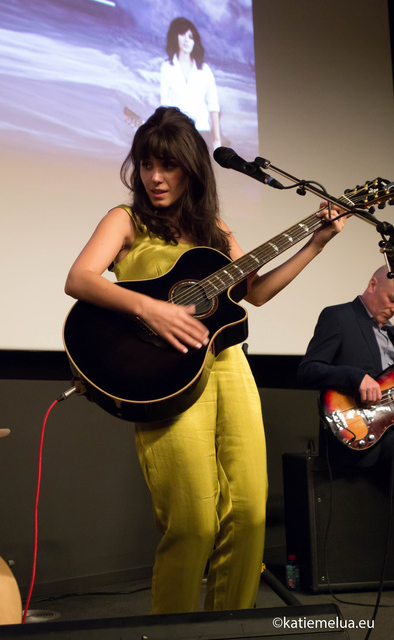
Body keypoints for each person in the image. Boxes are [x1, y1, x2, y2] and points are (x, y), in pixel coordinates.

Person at [65, 106, 346, 614]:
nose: (155, 177)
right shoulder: (124, 220)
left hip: (229, 368)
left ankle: (229, 625)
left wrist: (315, 245)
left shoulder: (214, 228)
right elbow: (80, 279)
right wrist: (150, 306)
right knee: (192, 524)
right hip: (165, 377)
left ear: (191, 168)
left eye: (167, 166)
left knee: (250, 513)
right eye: (147, 165)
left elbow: (255, 293)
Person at [298, 265, 394, 467]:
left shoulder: (391, 333)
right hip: (362, 434)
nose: (393, 309)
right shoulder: (340, 316)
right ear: (372, 284)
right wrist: (355, 376)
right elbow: (307, 371)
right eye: (391, 299)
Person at [160, 17, 222, 150]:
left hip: (201, 131)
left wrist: (216, 139)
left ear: (195, 41)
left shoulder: (204, 70)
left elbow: (213, 105)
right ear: (175, 37)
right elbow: (164, 104)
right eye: (182, 34)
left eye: (191, 37)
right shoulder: (167, 67)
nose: (186, 40)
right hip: (176, 134)